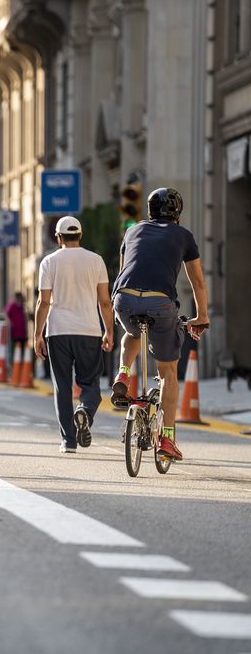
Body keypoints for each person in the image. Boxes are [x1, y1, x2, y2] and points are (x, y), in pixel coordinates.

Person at [110, 187, 209, 461]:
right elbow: (197, 281)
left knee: (131, 332)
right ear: (177, 213)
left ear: (150, 211)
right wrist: (201, 316)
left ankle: (122, 375)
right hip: (160, 302)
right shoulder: (183, 235)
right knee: (168, 374)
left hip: (124, 299)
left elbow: (123, 272)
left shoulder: (131, 230)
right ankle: (167, 438)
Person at [32, 216, 113, 454]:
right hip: (89, 330)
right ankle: (85, 411)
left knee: (62, 387)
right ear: (81, 235)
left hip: (58, 331)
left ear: (58, 238)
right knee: (90, 382)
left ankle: (68, 441)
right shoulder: (96, 260)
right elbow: (105, 302)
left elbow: (43, 301)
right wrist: (109, 331)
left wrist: (37, 334)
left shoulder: (49, 262)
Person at [5, 291, 27, 355]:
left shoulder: (22, 307)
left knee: (22, 349)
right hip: (15, 332)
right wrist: (10, 322)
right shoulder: (12, 305)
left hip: (22, 332)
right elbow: (6, 313)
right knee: (15, 349)